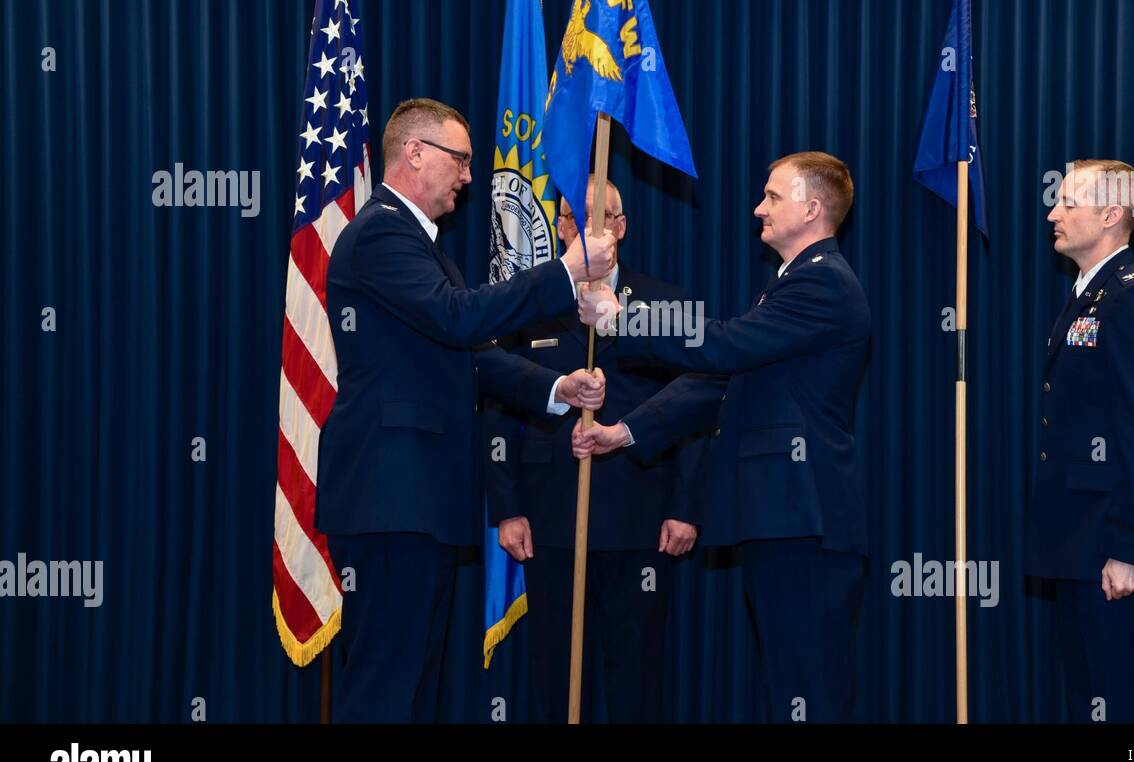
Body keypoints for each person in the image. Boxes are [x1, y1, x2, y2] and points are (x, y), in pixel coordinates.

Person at [315, 98, 614, 722]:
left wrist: (557, 388)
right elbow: (459, 319)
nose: (470, 176)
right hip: (390, 495)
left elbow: (467, 355)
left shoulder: (421, 247)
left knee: (412, 689)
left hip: (415, 501)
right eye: (462, 160)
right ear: (415, 153)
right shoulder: (379, 233)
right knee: (385, 691)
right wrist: (563, 273)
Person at [574, 152, 870, 723]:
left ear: (811, 209)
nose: (758, 207)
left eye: (773, 197)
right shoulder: (793, 285)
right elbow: (720, 381)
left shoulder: (823, 285)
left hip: (805, 518)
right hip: (784, 517)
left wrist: (623, 319)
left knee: (808, 684)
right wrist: (627, 432)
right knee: (787, 685)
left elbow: (723, 346)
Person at [486, 176, 702, 723]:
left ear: (621, 228)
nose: (580, 228)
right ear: (557, 228)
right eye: (568, 218)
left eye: (595, 216)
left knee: (635, 674)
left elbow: (694, 411)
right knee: (553, 673)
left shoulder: (666, 304)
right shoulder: (526, 305)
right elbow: (496, 409)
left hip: (640, 516)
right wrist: (507, 507)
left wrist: (685, 506)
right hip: (549, 516)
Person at [1028, 158, 1134, 723]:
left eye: (1068, 203)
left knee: (1123, 704)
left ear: (1113, 213)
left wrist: (1131, 548)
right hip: (1080, 543)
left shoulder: (1132, 298)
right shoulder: (1086, 296)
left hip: (1111, 549)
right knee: (1089, 698)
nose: (1053, 213)